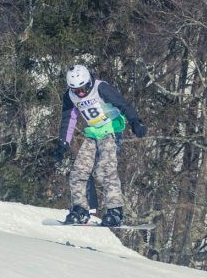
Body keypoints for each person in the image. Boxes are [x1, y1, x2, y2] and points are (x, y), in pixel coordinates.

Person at [55, 64, 147, 226]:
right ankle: (81, 209)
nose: (81, 93)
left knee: (105, 169)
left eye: (83, 89)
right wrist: (63, 143)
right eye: (76, 91)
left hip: (111, 130)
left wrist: (135, 122)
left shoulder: (101, 88)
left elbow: (122, 104)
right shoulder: (70, 96)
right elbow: (68, 119)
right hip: (93, 133)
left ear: (89, 82)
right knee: (78, 171)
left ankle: (115, 210)